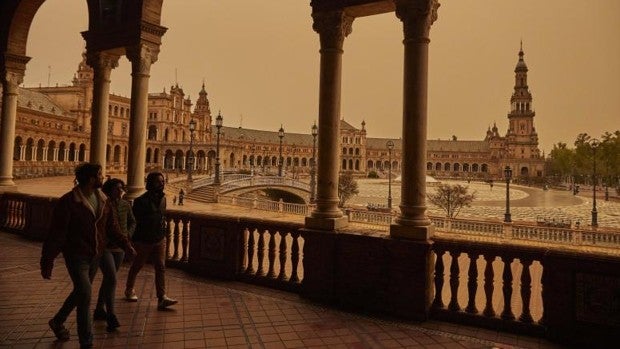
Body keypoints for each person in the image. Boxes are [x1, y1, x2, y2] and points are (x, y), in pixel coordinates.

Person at [40, 164, 135, 349]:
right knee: (85, 294)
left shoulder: (103, 200)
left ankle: (58, 321)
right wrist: (47, 260)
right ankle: (87, 341)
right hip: (76, 254)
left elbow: (112, 228)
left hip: (95, 254)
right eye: (100, 174)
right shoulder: (68, 202)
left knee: (81, 292)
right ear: (91, 178)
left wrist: (126, 244)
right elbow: (57, 234)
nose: (103, 177)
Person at [124, 171, 178, 310]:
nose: (162, 183)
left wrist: (163, 233)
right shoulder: (140, 201)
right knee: (137, 265)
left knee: (160, 267)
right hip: (144, 240)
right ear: (150, 183)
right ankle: (129, 289)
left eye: (162, 181)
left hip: (159, 238)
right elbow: (136, 221)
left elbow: (162, 216)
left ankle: (162, 297)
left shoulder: (164, 199)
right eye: (158, 181)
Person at [93, 178, 136, 331]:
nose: (120, 191)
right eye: (117, 188)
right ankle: (111, 314)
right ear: (109, 189)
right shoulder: (103, 205)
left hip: (120, 248)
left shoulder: (125, 205)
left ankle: (99, 308)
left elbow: (132, 222)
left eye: (122, 188)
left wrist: (128, 235)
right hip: (105, 247)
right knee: (111, 277)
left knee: (108, 279)